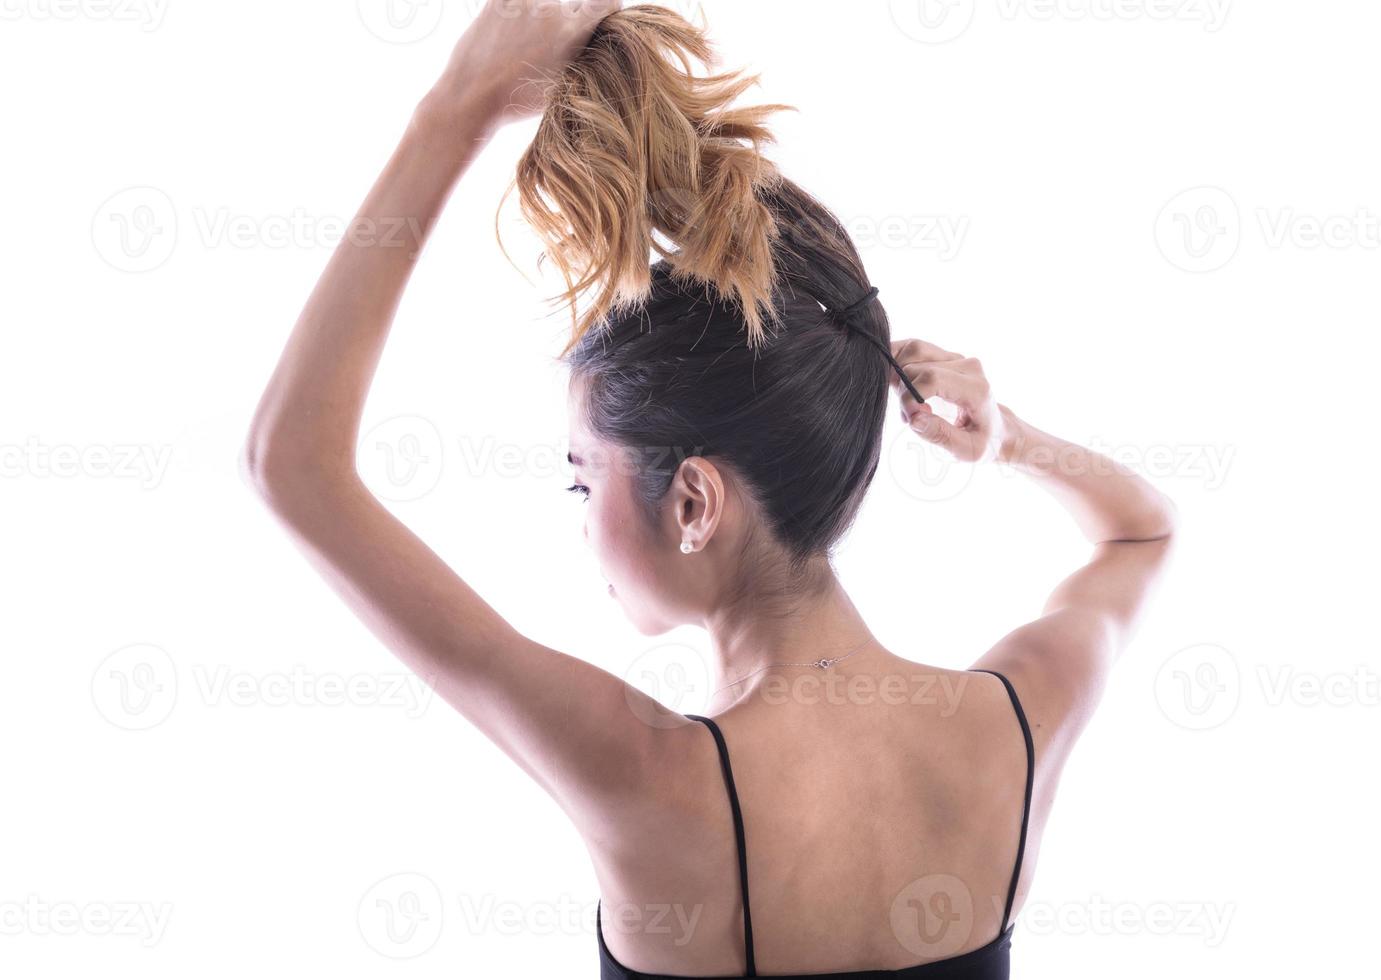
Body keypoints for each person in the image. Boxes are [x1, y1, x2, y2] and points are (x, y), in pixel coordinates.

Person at [242, 3, 1177, 976]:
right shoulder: (1014, 726)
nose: (579, 527)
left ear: (693, 502)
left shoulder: (646, 779)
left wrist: (458, 105)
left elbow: (291, 463)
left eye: (580, 479)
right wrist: (1011, 442)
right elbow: (1139, 536)